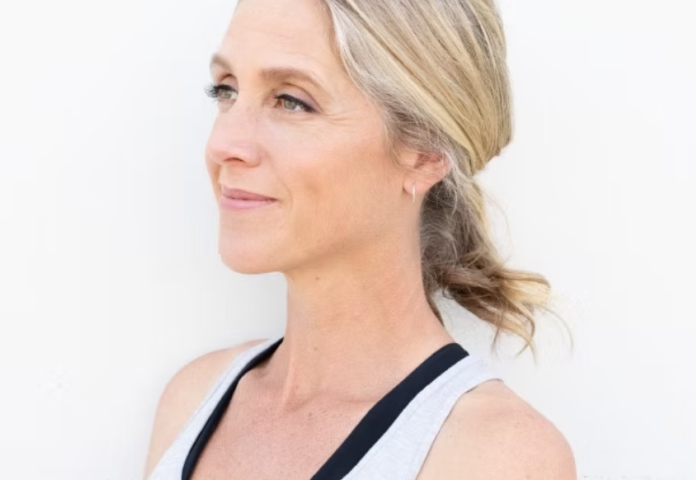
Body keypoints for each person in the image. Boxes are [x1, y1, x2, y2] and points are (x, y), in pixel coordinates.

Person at [143, 0, 577, 478]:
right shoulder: (192, 400)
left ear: (424, 151)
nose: (223, 144)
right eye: (225, 90)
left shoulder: (495, 455)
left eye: (291, 101)